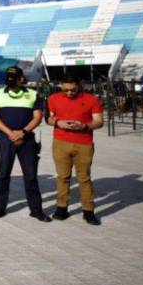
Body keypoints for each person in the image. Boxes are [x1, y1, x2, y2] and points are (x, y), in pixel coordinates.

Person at [0, 66, 50, 222]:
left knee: (30, 176)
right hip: (5, 139)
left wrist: (23, 132)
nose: (11, 79)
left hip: (27, 139)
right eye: (9, 76)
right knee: (3, 175)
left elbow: (37, 117)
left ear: (22, 78)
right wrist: (10, 133)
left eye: (14, 76)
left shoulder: (33, 94)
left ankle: (36, 210)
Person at [46, 74, 104, 225]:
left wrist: (85, 126)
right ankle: (61, 207)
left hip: (84, 143)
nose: (70, 93)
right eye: (66, 89)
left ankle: (88, 210)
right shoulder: (53, 98)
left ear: (79, 85)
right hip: (60, 142)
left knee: (84, 178)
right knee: (62, 176)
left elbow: (99, 121)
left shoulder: (92, 99)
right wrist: (59, 123)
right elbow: (49, 118)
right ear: (60, 85)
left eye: (73, 89)